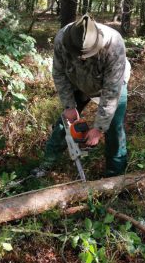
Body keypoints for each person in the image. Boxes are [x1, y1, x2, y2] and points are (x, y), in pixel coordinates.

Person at [33, 14, 131, 177]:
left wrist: (99, 128)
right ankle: (47, 163)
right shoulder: (61, 39)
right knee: (63, 125)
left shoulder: (114, 44)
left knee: (114, 129)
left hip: (111, 84)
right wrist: (69, 106)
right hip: (77, 80)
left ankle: (115, 177)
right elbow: (59, 73)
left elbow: (112, 91)